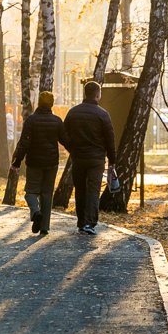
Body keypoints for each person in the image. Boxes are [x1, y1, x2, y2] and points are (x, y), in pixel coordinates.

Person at [11, 91, 70, 236]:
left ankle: (36, 212)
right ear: (52, 104)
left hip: (34, 162)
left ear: (38, 103)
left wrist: (17, 162)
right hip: (51, 163)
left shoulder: (31, 120)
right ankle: (44, 227)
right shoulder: (57, 121)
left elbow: (24, 143)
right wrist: (77, 151)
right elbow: (66, 141)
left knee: (30, 192)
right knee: (47, 194)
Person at [64, 81, 116, 235]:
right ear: (98, 94)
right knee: (93, 190)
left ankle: (81, 222)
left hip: (78, 158)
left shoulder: (73, 112)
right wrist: (112, 160)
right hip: (96, 159)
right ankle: (90, 223)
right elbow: (110, 138)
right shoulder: (102, 114)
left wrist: (71, 148)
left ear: (85, 93)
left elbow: (63, 133)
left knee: (80, 189)